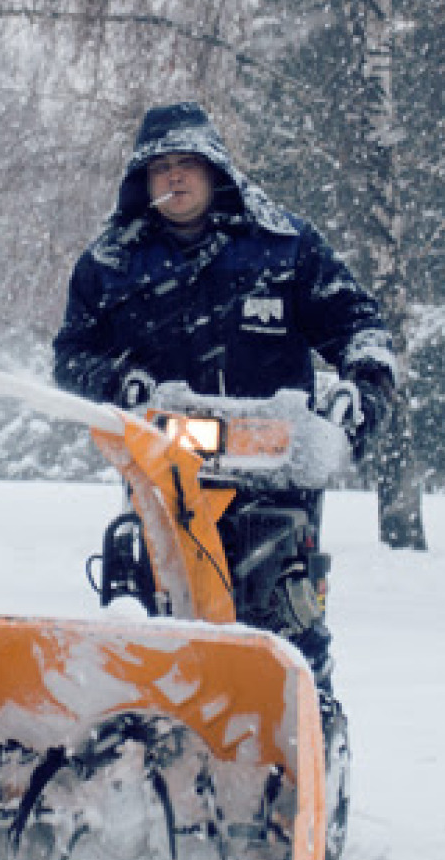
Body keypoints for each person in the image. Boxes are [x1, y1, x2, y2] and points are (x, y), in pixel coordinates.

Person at [52, 100, 398, 690]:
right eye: (161, 168)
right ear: (143, 181)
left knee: (284, 630)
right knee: (152, 630)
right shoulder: (111, 263)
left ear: (215, 170)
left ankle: (300, 726)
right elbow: (72, 355)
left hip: (277, 476)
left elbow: (359, 325)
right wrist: (118, 383)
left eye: (187, 163)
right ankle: (152, 732)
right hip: (164, 475)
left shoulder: (285, 246)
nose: (175, 177)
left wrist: (362, 390)